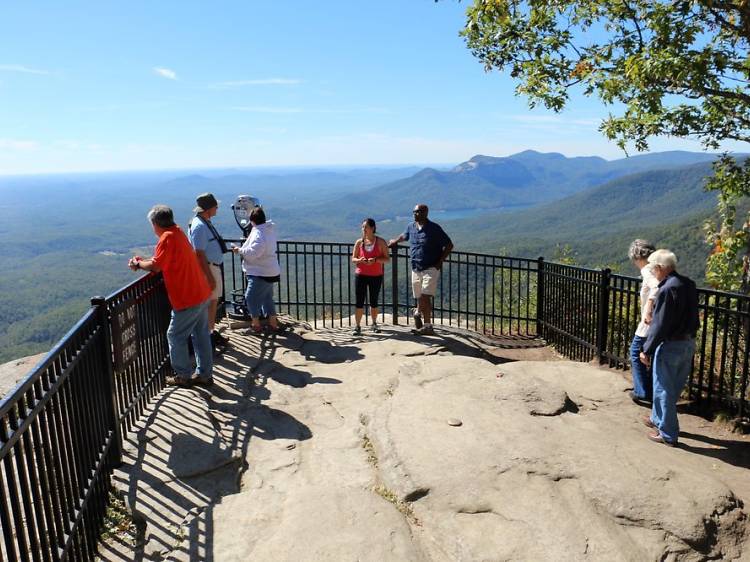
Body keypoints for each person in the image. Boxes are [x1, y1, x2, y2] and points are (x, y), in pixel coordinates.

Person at [128, 205, 213, 387]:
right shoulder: (178, 231)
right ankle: (205, 374)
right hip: (200, 292)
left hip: (187, 298)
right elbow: (164, 262)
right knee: (200, 335)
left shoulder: (167, 238)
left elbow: (156, 266)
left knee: (175, 336)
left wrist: (137, 263)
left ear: (155, 223)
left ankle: (183, 376)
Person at [639, 249, 699, 447]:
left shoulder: (667, 289)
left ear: (660, 268)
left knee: (663, 388)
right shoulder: (688, 284)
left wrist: (646, 349)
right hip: (688, 342)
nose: (653, 272)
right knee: (673, 387)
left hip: (671, 344)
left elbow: (661, 325)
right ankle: (658, 420)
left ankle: (667, 433)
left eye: (653, 268)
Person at [388, 203, 453, 335]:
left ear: (425, 213)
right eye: (414, 212)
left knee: (425, 295)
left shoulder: (434, 228)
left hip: (431, 267)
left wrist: (439, 262)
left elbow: (449, 245)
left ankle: (417, 313)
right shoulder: (411, 227)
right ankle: (427, 326)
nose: (415, 214)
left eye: (418, 212)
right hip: (415, 267)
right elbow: (404, 236)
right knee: (420, 297)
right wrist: (395, 241)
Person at [189, 192, 229, 352]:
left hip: (212, 266)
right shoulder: (199, 226)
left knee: (212, 303)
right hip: (209, 268)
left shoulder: (204, 222)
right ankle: (207, 339)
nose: (217, 208)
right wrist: (210, 276)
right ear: (208, 209)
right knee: (210, 304)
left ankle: (210, 335)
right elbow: (198, 253)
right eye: (215, 206)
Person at [231, 206, 282, 334]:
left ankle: (256, 325)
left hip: (260, 271)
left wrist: (240, 250)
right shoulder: (268, 230)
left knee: (250, 297)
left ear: (253, 221)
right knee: (267, 298)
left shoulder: (259, 233)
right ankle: (273, 324)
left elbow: (255, 251)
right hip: (271, 270)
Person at [627, 239, 658, 406]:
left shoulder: (647, 270)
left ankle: (642, 392)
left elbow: (656, 288)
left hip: (647, 324)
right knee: (651, 356)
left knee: (635, 352)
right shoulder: (656, 268)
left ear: (636, 256)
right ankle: (651, 391)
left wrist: (648, 307)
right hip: (657, 322)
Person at [351, 218, 390, 335]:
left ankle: (374, 323)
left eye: (366, 227)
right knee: (359, 301)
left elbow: (387, 259)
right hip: (361, 275)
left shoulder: (381, 242)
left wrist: (376, 260)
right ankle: (357, 326)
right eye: (362, 227)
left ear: (372, 228)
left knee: (374, 301)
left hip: (375, 276)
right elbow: (353, 259)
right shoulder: (359, 242)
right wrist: (360, 260)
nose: (363, 229)